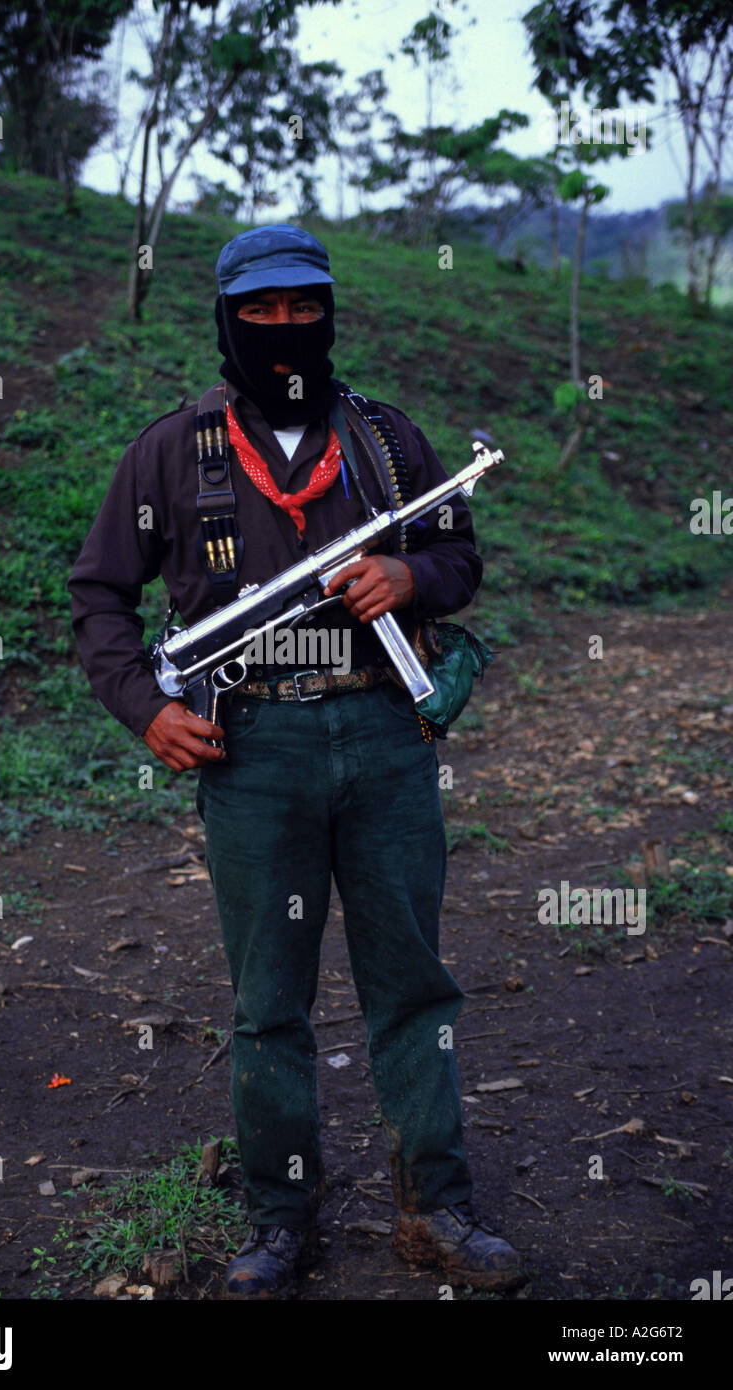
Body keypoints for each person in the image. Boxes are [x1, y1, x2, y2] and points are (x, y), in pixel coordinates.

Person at [68, 224, 525, 1299]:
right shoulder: (170, 451)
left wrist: (410, 580)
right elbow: (99, 595)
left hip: (383, 736)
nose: (284, 331)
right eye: (261, 313)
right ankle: (279, 1222)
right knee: (266, 999)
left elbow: (459, 553)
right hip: (251, 747)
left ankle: (439, 1210)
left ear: (327, 312)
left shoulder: (386, 441)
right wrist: (143, 710)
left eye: (302, 309)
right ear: (229, 318)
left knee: (411, 982)